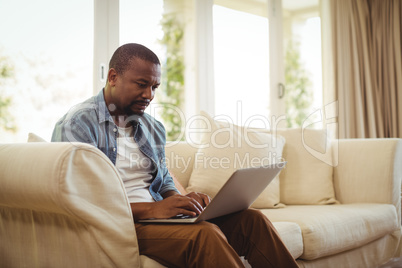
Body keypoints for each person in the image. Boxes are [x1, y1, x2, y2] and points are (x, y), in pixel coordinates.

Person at [52, 43, 298, 268]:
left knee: (252, 221)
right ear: (113, 77)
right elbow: (78, 200)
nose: (149, 95)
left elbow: (163, 179)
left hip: (157, 219)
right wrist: (152, 210)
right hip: (118, 225)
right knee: (205, 236)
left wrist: (182, 201)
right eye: (141, 84)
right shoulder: (78, 125)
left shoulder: (152, 127)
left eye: (154, 87)